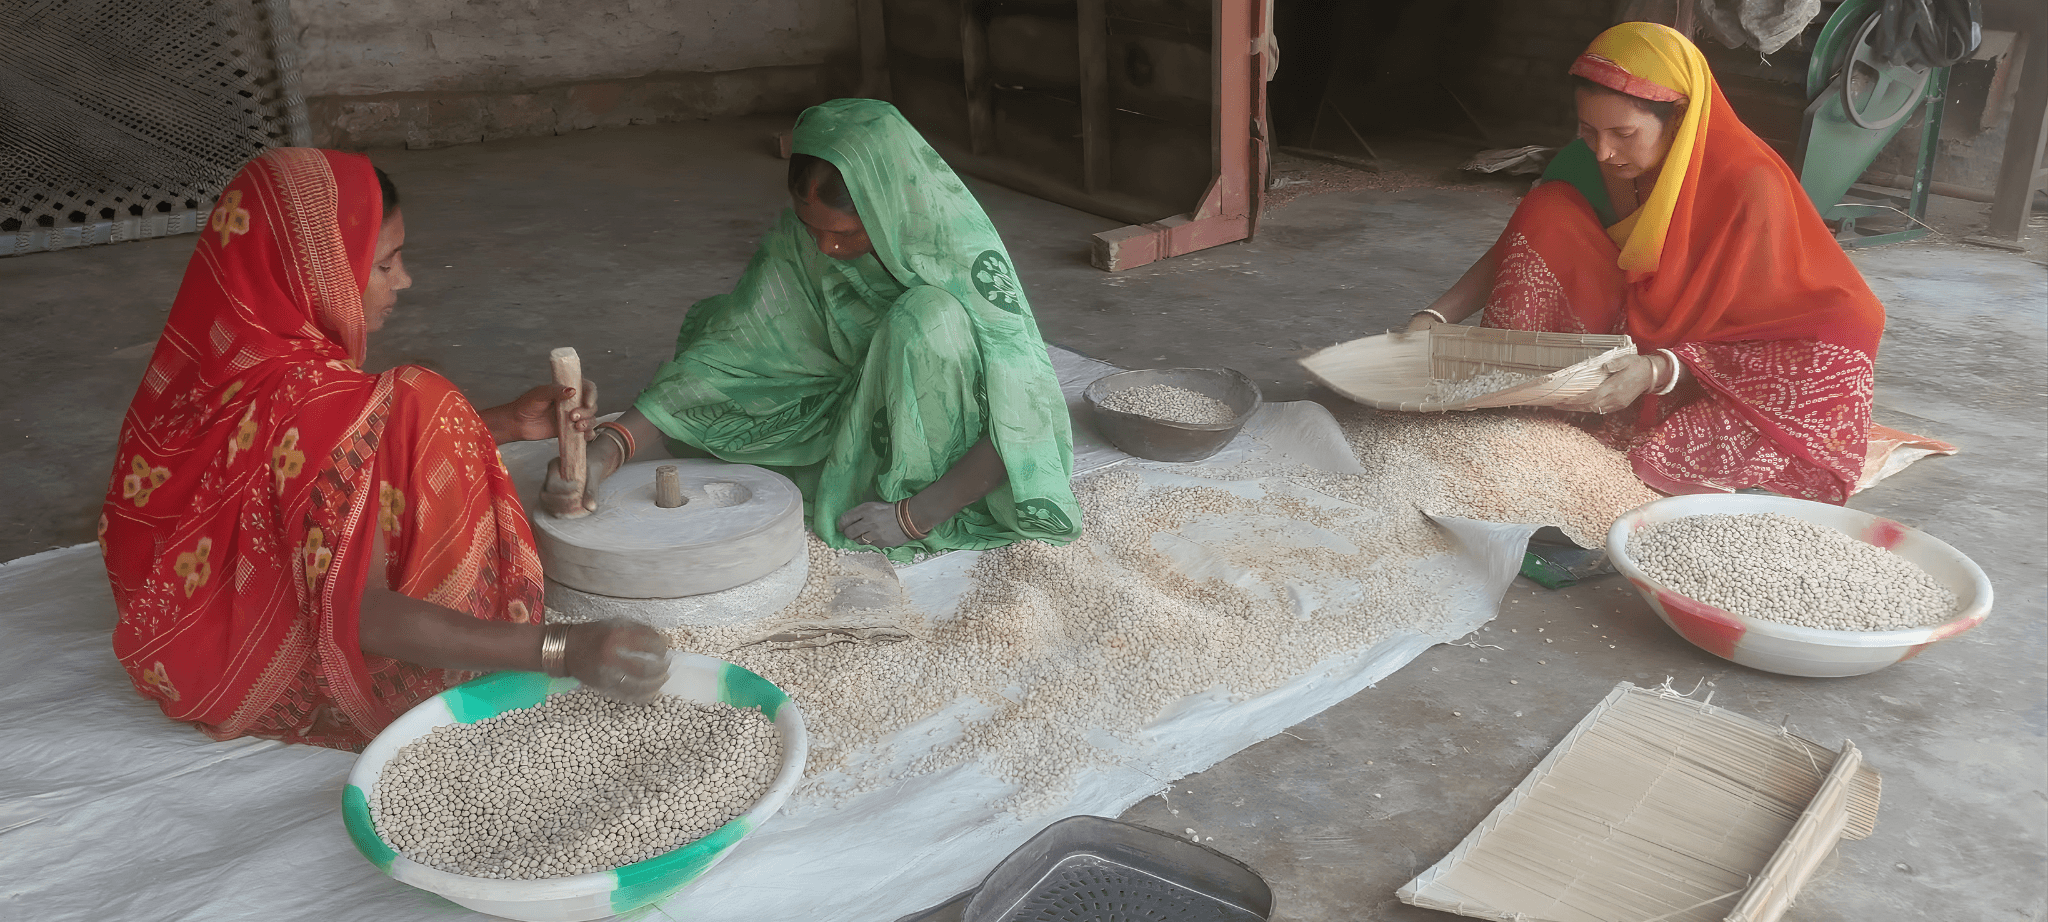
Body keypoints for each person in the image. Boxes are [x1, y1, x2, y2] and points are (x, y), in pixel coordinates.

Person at [102, 148, 668, 752]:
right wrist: (565, 650)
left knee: (406, 411)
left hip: (174, 618)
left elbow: (304, 470)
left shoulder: (218, 349)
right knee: (420, 398)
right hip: (245, 658)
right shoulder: (317, 402)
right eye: (385, 264)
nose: (404, 282)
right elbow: (359, 613)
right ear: (317, 273)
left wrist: (502, 423)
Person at [542, 99, 1082, 560]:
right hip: (844, 415)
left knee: (928, 319)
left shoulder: (963, 257)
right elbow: (730, 354)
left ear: (890, 209)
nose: (826, 248)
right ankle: (858, 470)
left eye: (845, 234)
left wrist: (920, 514)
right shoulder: (804, 245)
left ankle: (908, 487)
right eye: (810, 227)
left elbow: (1027, 413)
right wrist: (607, 451)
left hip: (950, 451)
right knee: (705, 401)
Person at [1410, 22, 1886, 504]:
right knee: (1548, 208)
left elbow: (1800, 319)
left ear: (1678, 117)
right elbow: (1519, 245)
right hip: (1621, 337)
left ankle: (1644, 412)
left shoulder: (1748, 183)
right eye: (1588, 130)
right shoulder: (1587, 161)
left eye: (1624, 133)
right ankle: (1533, 396)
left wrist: (1659, 370)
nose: (1604, 152)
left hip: (1703, 367)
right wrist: (1436, 316)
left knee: (1829, 356)